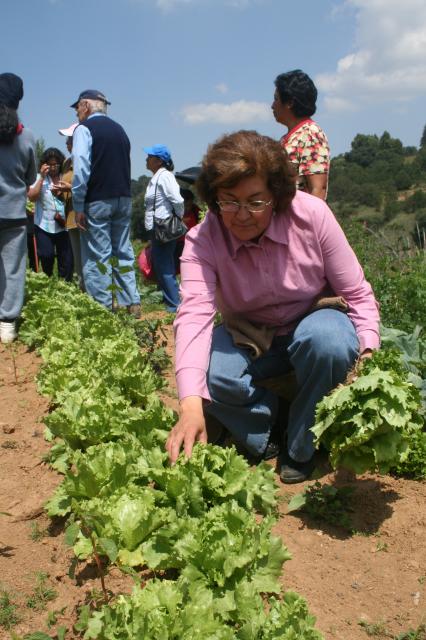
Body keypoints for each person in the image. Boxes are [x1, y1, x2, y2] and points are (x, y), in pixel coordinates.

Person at [166, 130, 380, 483]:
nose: (242, 215)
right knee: (212, 373)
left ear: (277, 196)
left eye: (256, 201)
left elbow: (356, 293)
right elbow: (193, 317)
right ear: (213, 198)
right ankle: (268, 432)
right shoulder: (203, 240)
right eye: (229, 201)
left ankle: (302, 445)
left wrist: (369, 352)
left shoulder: (312, 216)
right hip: (248, 332)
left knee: (330, 341)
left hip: (312, 319)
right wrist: (189, 404)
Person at [70, 89, 140, 315]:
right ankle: (132, 302)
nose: (77, 113)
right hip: (123, 198)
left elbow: (80, 169)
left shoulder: (84, 129)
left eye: (77, 108)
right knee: (123, 251)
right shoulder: (120, 130)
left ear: (86, 106)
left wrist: (78, 205)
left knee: (97, 256)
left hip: (97, 200)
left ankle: (102, 309)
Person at [0, 72, 36, 343]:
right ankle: (7, 323)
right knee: (13, 267)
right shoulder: (26, 137)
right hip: (13, 212)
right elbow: (30, 178)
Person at [272, 69, 330, 200]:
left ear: (290, 103)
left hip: (298, 219)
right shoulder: (287, 138)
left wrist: (310, 220)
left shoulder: (310, 134)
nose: (272, 105)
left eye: (276, 99)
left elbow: (318, 189)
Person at [143, 144, 184, 312]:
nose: (146, 159)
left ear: (159, 161)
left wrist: (177, 218)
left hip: (163, 227)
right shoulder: (157, 177)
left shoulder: (165, 176)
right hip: (157, 227)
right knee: (161, 265)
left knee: (164, 266)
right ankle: (172, 302)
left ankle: (174, 305)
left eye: (150, 156)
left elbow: (177, 200)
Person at [27, 147, 74, 281]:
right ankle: (48, 281)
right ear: (44, 164)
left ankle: (64, 286)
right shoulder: (38, 178)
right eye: (50, 164)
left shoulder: (64, 177)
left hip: (63, 225)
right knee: (46, 256)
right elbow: (32, 197)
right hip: (43, 225)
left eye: (56, 164)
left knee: (67, 261)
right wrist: (41, 177)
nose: (53, 168)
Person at [57, 122, 84, 289]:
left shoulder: (86, 160)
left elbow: (90, 186)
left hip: (84, 216)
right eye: (67, 141)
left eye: (71, 140)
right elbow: (65, 190)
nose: (67, 144)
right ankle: (83, 293)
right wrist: (59, 193)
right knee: (78, 259)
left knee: (90, 257)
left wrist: (70, 188)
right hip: (71, 217)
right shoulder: (67, 163)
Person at [175, 188, 201, 269]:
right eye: (186, 205)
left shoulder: (195, 211)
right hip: (178, 245)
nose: (188, 208)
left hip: (194, 244)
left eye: (190, 204)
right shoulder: (174, 213)